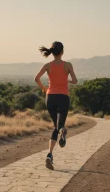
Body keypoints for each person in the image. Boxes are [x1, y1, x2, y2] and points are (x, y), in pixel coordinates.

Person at [34, 41, 78, 170]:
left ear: (52, 52)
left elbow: (36, 78)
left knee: (55, 126)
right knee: (60, 126)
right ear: (62, 51)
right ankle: (63, 131)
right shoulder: (68, 65)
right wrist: (66, 79)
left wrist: (43, 88)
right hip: (63, 97)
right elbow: (75, 81)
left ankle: (49, 155)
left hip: (50, 98)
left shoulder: (48, 65)